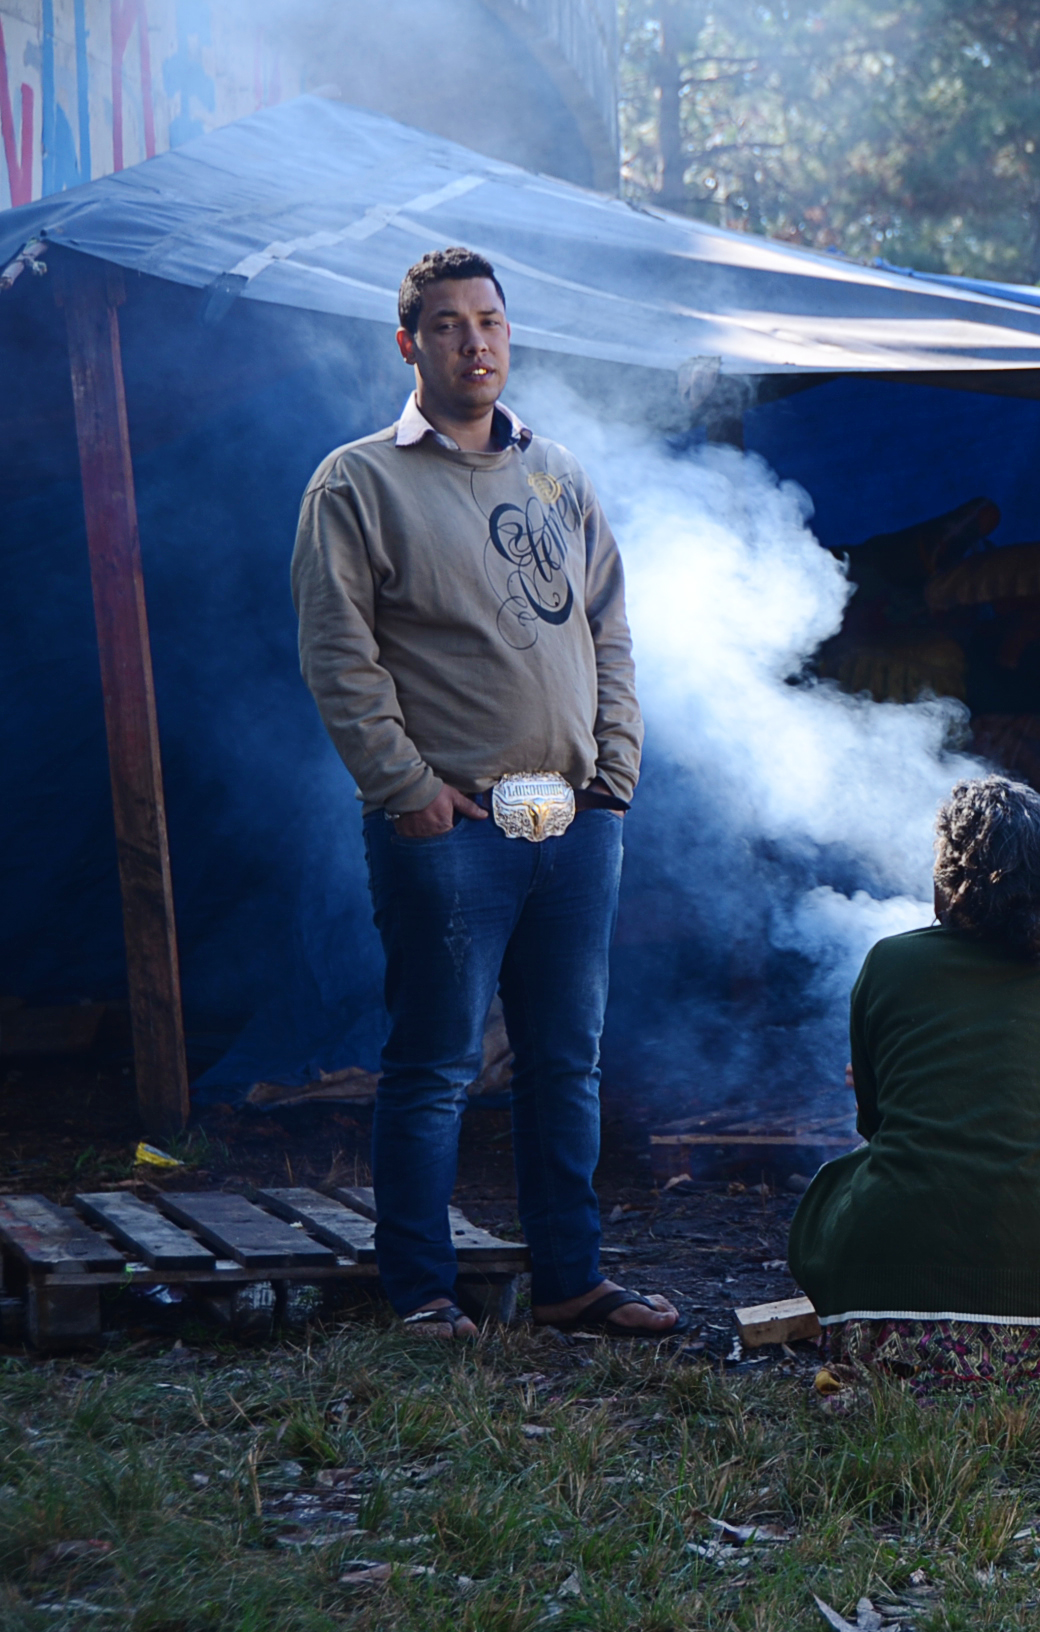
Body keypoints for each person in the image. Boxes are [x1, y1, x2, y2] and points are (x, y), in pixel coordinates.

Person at [292, 247, 672, 1339]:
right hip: (449, 824)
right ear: (410, 344)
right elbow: (339, 657)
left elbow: (606, 622)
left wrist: (615, 774)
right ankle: (420, 1291)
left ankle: (571, 1282)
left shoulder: (554, 471)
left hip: (571, 814)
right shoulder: (357, 482)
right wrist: (405, 790)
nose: (477, 343)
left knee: (567, 1059)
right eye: (451, 326)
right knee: (437, 1063)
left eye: (492, 322)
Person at [787, 778, 1040, 1387]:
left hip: (893, 1313)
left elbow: (875, 1121)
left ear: (950, 877)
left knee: (848, 1180)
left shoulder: (888, 962)